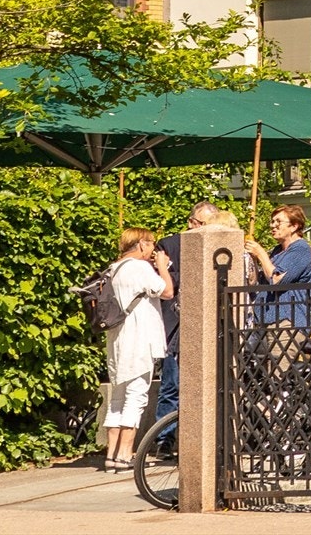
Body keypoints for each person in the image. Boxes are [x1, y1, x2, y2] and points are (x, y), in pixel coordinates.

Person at [102, 227, 172, 471]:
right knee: (137, 396)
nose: (153, 249)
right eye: (151, 244)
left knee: (118, 397)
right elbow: (167, 291)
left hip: (118, 340)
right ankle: (125, 454)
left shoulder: (114, 268)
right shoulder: (140, 268)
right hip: (140, 338)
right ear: (141, 244)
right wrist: (162, 266)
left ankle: (111, 455)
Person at [152, 201, 219, 453]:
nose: (207, 230)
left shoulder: (216, 243)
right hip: (175, 322)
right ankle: (164, 440)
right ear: (191, 223)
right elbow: (164, 281)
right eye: (203, 224)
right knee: (172, 382)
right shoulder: (169, 245)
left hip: (208, 324)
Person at [245, 205, 311, 328]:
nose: (273, 225)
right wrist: (254, 259)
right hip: (266, 322)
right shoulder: (277, 251)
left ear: (294, 226)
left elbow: (277, 280)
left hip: (287, 322)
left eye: (278, 222)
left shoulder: (300, 249)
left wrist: (261, 253)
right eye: (272, 221)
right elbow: (261, 281)